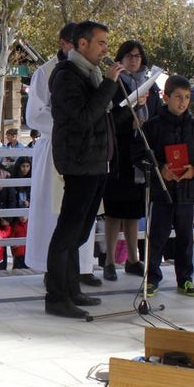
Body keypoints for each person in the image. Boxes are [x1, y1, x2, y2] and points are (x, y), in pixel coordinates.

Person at [44, 21, 124, 319]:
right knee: (67, 232)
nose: (106, 49)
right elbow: (82, 118)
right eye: (101, 42)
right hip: (78, 163)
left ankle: (72, 289)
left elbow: (101, 114)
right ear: (81, 44)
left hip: (96, 162)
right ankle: (56, 297)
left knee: (80, 232)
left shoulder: (90, 73)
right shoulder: (66, 76)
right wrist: (109, 84)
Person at [25, 22, 99, 286]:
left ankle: (81, 268)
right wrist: (69, 123)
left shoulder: (90, 72)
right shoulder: (44, 73)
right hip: (54, 148)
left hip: (84, 150)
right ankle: (53, 271)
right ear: (64, 43)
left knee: (81, 212)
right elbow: (34, 115)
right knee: (53, 215)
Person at [133, 74, 194, 298]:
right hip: (162, 191)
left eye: (187, 97)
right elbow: (138, 153)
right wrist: (160, 168)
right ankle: (152, 278)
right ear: (165, 97)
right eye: (178, 97)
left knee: (186, 238)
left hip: (187, 193)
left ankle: (185, 279)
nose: (183, 102)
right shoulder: (153, 127)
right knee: (157, 237)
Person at [103, 40, 156, 282]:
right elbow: (109, 118)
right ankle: (109, 261)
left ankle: (133, 260)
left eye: (137, 55)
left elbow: (156, 113)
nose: (134, 60)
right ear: (120, 59)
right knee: (114, 211)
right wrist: (129, 121)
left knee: (134, 213)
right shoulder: (114, 84)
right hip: (118, 154)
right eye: (128, 56)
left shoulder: (150, 86)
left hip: (139, 154)